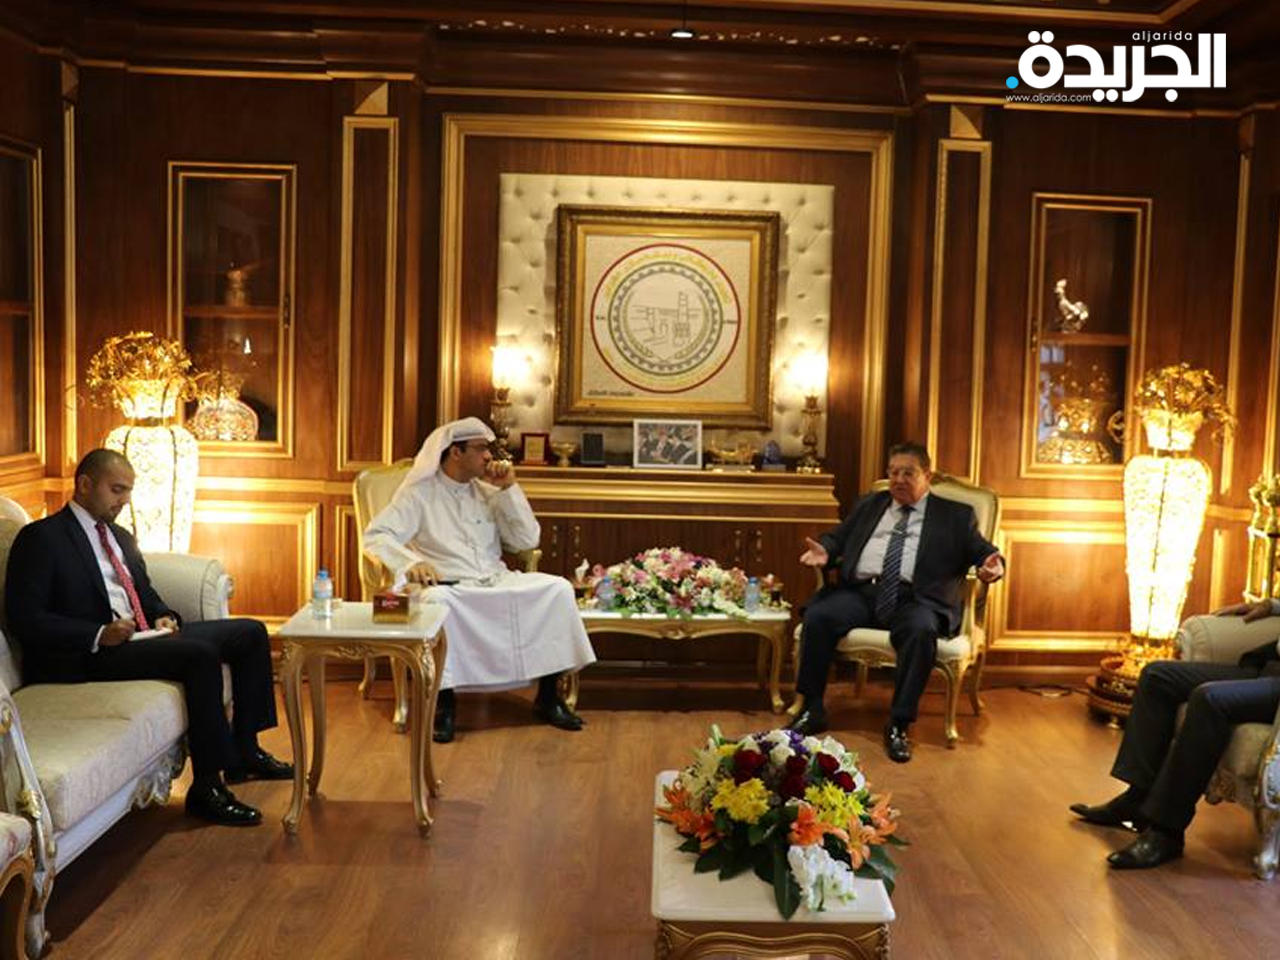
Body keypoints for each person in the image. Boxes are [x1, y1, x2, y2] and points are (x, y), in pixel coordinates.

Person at [4, 449, 292, 827]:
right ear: (85, 485)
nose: (124, 500)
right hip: (87, 654)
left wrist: (162, 615)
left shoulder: (120, 536)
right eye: (116, 490)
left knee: (250, 632)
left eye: (128, 491)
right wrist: (98, 633)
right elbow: (26, 618)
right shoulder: (42, 538)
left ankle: (246, 752)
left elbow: (144, 593)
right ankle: (207, 787)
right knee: (199, 655)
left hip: (140, 637)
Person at [363, 417, 596, 743]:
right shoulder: (418, 495)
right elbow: (376, 536)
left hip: (493, 579)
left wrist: (508, 490)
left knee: (557, 589)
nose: (489, 456)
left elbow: (527, 540)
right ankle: (444, 704)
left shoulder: (489, 492)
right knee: (440, 605)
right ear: (455, 452)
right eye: (481, 449)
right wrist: (412, 562)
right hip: (446, 585)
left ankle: (548, 697)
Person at [787, 441, 1005, 762]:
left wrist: (992, 565)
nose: (899, 480)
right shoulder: (870, 504)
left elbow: (984, 552)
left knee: (920, 631)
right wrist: (826, 549)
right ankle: (813, 708)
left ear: (927, 475)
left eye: (908, 473)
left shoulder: (955, 516)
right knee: (819, 616)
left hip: (917, 599)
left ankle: (898, 724)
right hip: (862, 593)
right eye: (893, 473)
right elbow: (838, 537)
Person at [1070, 597, 1280, 869]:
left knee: (1209, 699)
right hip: (1269, 668)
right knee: (1157, 677)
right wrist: (1273, 606)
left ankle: (1166, 831)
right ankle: (1137, 799)